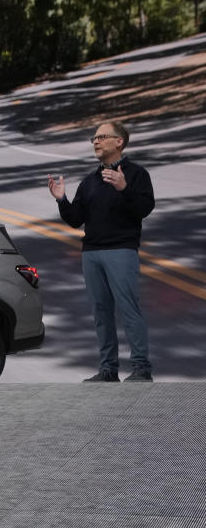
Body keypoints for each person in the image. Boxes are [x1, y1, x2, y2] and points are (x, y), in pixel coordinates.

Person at [47, 121, 155, 382]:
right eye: (93, 138)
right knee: (101, 312)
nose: (95, 142)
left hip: (121, 250)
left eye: (102, 137)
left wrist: (123, 188)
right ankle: (108, 370)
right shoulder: (90, 182)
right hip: (91, 253)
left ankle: (141, 369)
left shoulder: (137, 174)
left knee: (129, 309)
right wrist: (62, 199)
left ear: (119, 142)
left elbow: (143, 208)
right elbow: (75, 219)